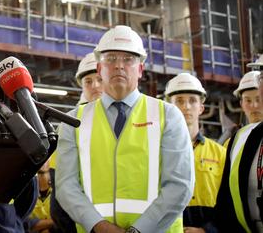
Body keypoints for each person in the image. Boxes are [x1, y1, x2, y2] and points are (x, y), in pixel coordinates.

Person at [56, 25, 194, 233]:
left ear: (140, 70)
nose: (119, 66)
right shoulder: (74, 120)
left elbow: (180, 185)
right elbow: (66, 186)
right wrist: (99, 226)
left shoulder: (168, 116)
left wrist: (138, 231)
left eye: (128, 59)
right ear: (100, 69)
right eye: (110, 59)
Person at [164, 73, 225, 233]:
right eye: (179, 101)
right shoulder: (157, 150)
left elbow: (230, 202)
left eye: (192, 100)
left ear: (201, 108)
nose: (186, 106)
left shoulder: (220, 154)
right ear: (169, 106)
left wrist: (207, 230)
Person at [48, 52, 102, 233]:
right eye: (88, 81)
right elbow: (59, 190)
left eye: (100, 79)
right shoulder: (68, 125)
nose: (95, 86)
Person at [215, 58, 263, 231]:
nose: (254, 106)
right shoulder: (235, 141)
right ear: (241, 103)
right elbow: (226, 195)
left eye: (258, 98)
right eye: (248, 100)